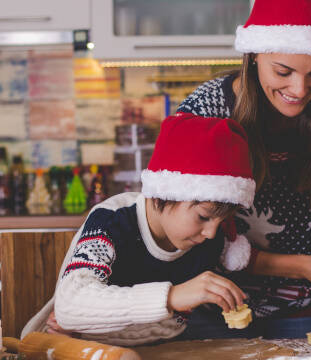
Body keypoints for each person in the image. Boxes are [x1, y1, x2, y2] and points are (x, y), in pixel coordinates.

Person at [176, 0, 311, 338]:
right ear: (255, 54)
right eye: (283, 71)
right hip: (218, 305)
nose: (300, 89)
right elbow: (178, 226)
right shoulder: (207, 110)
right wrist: (304, 265)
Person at [21, 114, 256, 346]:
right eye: (203, 216)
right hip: (65, 347)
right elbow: (70, 305)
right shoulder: (112, 221)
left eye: (222, 220)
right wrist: (172, 296)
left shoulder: (208, 241)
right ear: (163, 194)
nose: (211, 233)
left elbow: (167, 329)